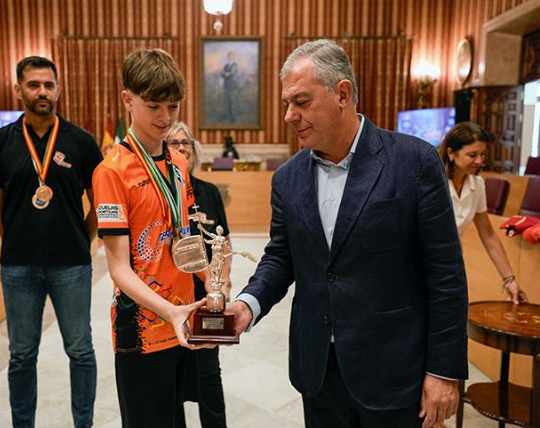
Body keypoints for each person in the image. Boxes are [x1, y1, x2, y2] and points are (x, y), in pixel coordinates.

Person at [226, 39, 469, 428]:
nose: (289, 115)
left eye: (301, 102)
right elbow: (281, 257)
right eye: (287, 103)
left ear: (343, 93)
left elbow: (446, 276)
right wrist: (246, 304)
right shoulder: (287, 179)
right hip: (318, 371)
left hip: (392, 370)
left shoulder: (413, 162)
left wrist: (443, 370)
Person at [0, 56, 101, 428]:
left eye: (49, 85)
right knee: (21, 355)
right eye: (34, 85)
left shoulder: (81, 141)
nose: (42, 92)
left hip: (71, 264)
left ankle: (84, 424)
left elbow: (102, 201)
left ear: (58, 89)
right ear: (19, 90)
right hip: (18, 266)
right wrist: (18, 238)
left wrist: (82, 236)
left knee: (80, 352)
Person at [92, 48, 210, 428]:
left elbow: (186, 238)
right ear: (128, 99)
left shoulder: (178, 162)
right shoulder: (111, 171)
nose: (166, 118)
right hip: (143, 327)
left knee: (175, 418)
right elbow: (118, 269)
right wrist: (169, 311)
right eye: (154, 106)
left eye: (173, 106)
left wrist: (213, 282)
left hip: (184, 320)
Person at [166, 121, 230, 428]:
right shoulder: (162, 194)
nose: (180, 148)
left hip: (207, 299)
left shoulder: (210, 191)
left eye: (185, 143)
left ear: (194, 150)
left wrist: (223, 282)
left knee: (208, 373)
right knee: (173, 377)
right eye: (173, 144)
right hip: (171, 300)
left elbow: (224, 242)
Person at [439, 122, 527, 304]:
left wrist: (509, 279)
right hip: (420, 267)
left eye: (482, 154)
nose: (479, 161)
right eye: (472, 155)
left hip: (452, 267)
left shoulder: (477, 185)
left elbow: (488, 234)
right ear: (450, 153)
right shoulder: (433, 183)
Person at [220, 51, 238, 122]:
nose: (230, 58)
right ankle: (227, 115)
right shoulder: (226, 66)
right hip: (226, 85)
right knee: (227, 101)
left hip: (232, 86)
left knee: (232, 102)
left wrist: (225, 73)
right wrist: (225, 73)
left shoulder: (235, 65)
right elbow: (221, 74)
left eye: (231, 56)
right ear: (228, 57)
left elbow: (231, 74)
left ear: (233, 57)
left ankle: (233, 117)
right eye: (229, 56)